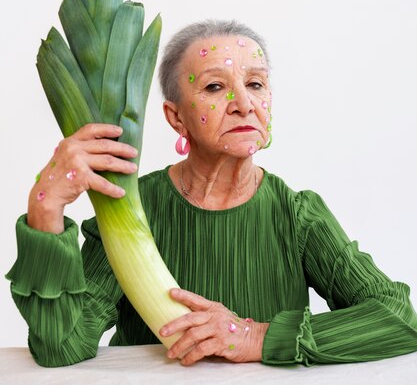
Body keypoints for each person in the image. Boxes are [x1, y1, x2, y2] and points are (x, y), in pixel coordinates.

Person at [6, 20, 417, 367]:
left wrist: (253, 337)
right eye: (216, 87)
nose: (244, 103)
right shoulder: (132, 209)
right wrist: (47, 206)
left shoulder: (297, 215)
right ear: (176, 117)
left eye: (255, 83)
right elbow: (62, 347)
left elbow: (399, 319)